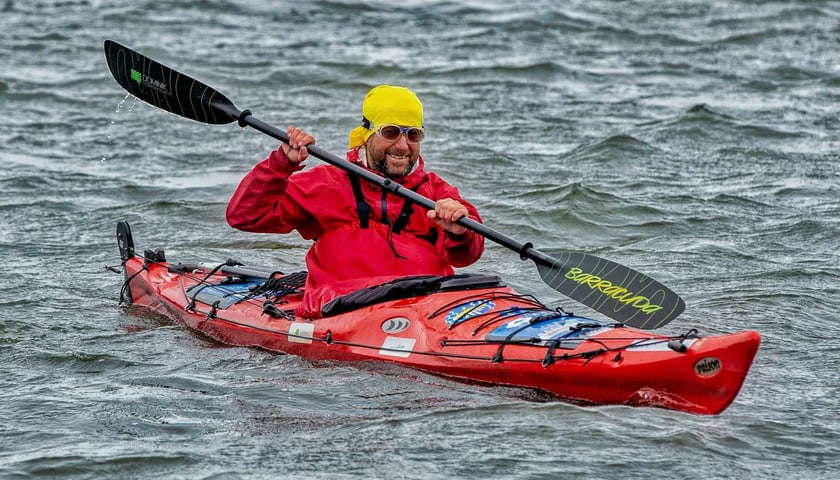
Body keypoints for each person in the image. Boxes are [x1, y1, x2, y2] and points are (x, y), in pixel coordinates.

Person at [226, 85, 485, 318]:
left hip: (427, 310)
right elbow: (245, 215)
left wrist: (461, 232)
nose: (403, 146)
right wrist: (282, 163)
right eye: (391, 132)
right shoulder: (326, 184)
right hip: (342, 310)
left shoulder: (437, 192)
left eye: (413, 135)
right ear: (366, 134)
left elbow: (467, 255)